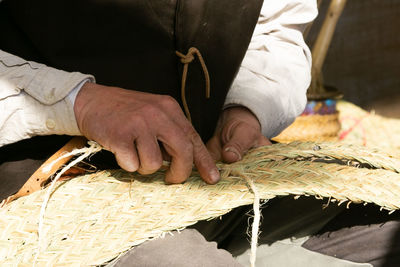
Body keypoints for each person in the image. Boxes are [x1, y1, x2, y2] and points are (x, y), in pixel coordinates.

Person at [2, 1, 399, 266]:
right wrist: (80, 103)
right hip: (41, 181)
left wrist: (246, 109)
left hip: (214, 168)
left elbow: (274, 27)